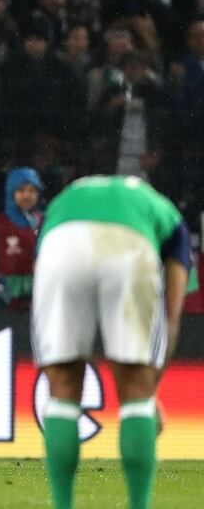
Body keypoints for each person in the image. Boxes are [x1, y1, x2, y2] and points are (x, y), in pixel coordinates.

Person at [33, 175, 189, 509]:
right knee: (136, 394)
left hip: (59, 243)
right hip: (129, 246)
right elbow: (172, 317)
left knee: (62, 389)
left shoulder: (65, 198)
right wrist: (151, 388)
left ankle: (62, 504)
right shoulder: (167, 215)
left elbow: (42, 261)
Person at [0, 167, 43, 310]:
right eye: (21, 190)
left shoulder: (45, 222)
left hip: (40, 302)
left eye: (32, 191)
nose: (27, 195)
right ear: (11, 192)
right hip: (4, 306)